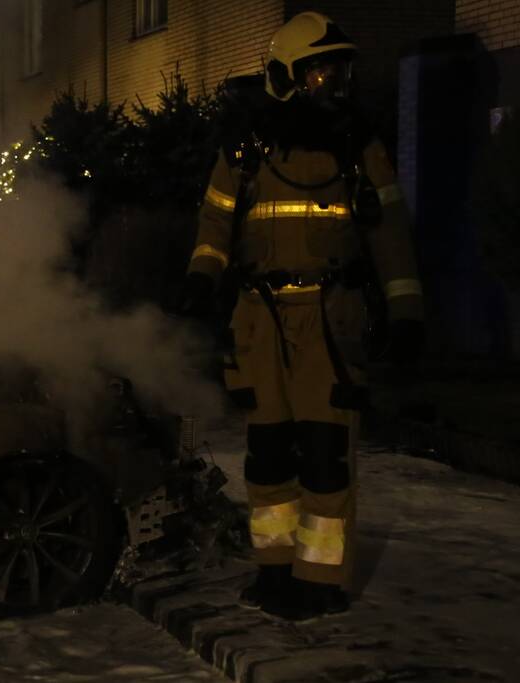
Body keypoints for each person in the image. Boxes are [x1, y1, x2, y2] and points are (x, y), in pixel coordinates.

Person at [179, 11, 424, 620]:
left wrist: (406, 309)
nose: (334, 83)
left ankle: (320, 579)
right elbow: (215, 223)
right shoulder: (245, 146)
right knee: (268, 453)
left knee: (325, 453)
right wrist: (200, 278)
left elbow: (390, 234)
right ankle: (274, 571)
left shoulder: (359, 146)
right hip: (260, 321)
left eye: (339, 70)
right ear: (285, 76)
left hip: (329, 318)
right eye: (319, 72)